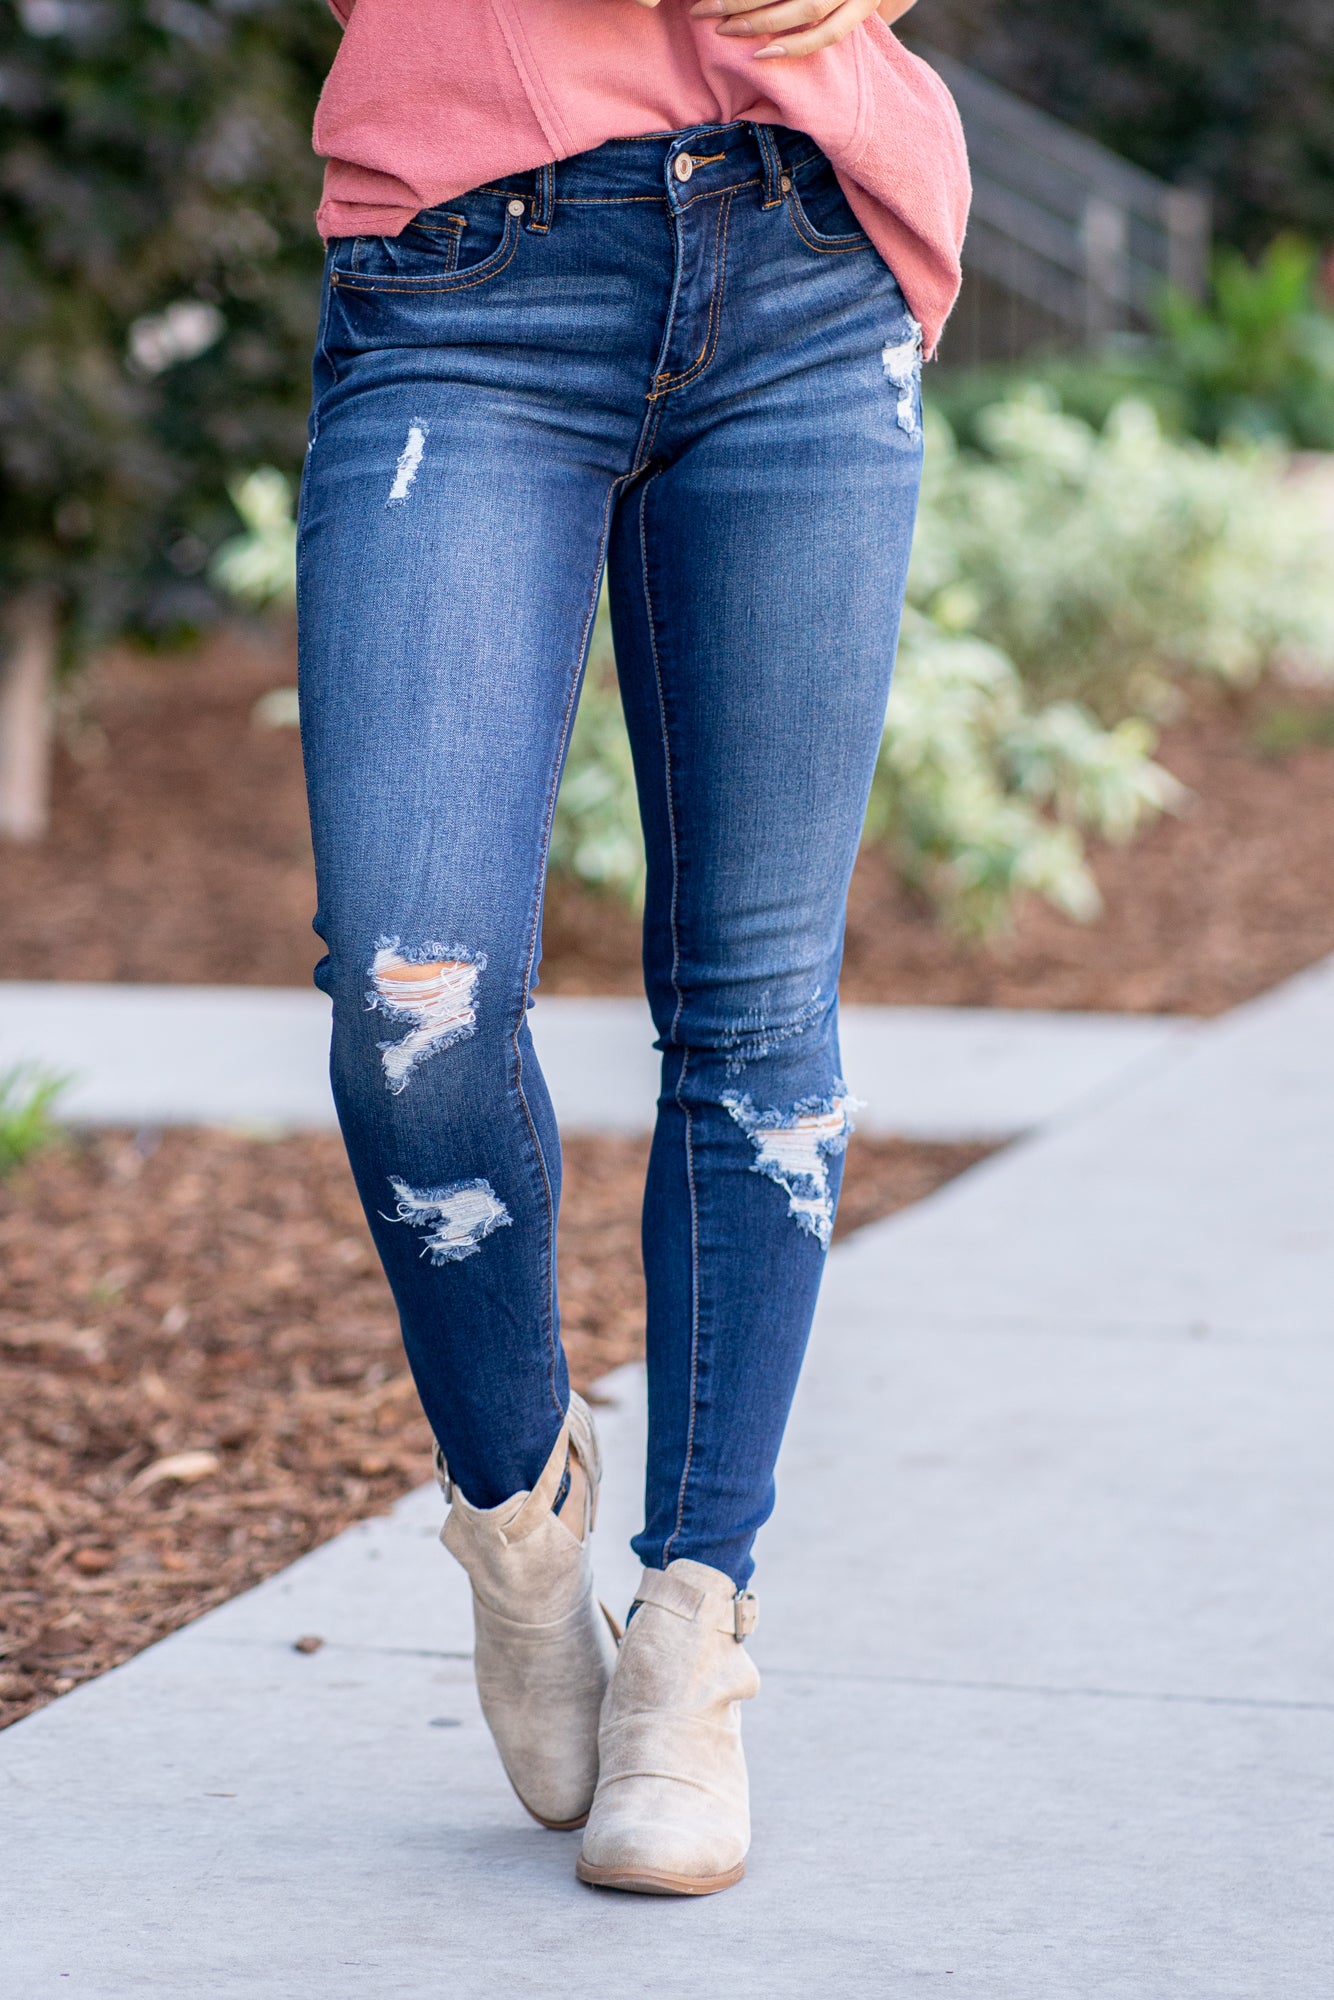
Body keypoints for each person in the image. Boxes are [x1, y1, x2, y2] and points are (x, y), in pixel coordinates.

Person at [297, 0, 969, 1897]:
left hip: (809, 245)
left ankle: (692, 1625)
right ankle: (520, 1532)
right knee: (413, 997)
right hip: (466, 274)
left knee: (756, 1001)